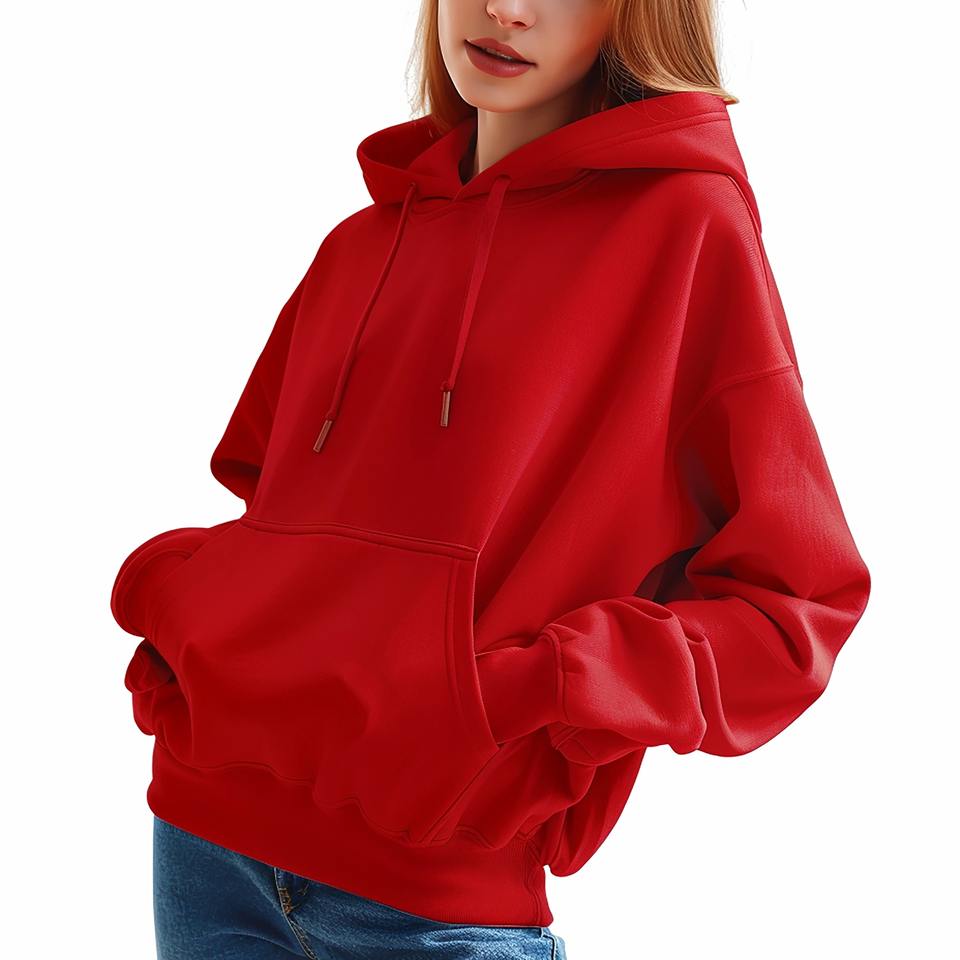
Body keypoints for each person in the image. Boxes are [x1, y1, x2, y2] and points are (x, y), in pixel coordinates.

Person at [110, 1, 872, 957]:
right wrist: (193, 607)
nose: (506, 8)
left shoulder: (684, 232)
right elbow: (280, 523)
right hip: (205, 844)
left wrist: (550, 686)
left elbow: (797, 604)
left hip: (437, 898)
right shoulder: (360, 245)